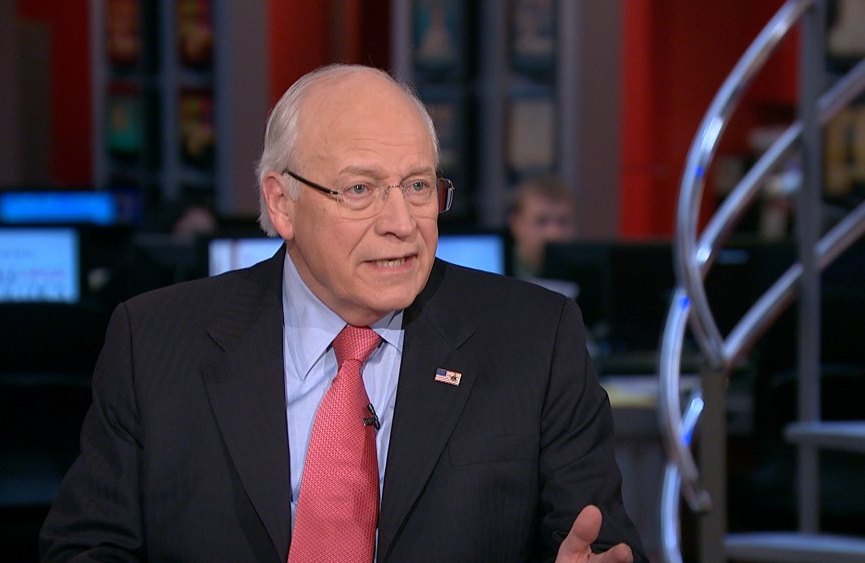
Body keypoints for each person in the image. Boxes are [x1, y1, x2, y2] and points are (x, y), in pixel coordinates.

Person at [40, 64, 645, 561]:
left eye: (418, 186)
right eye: (360, 190)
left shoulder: (534, 339)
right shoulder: (153, 341)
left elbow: (598, 544)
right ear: (282, 203)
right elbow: (86, 548)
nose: (402, 223)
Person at [508, 175, 576, 280]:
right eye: (541, 221)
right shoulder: (498, 267)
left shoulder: (582, 271)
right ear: (515, 223)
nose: (553, 233)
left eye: (562, 222)